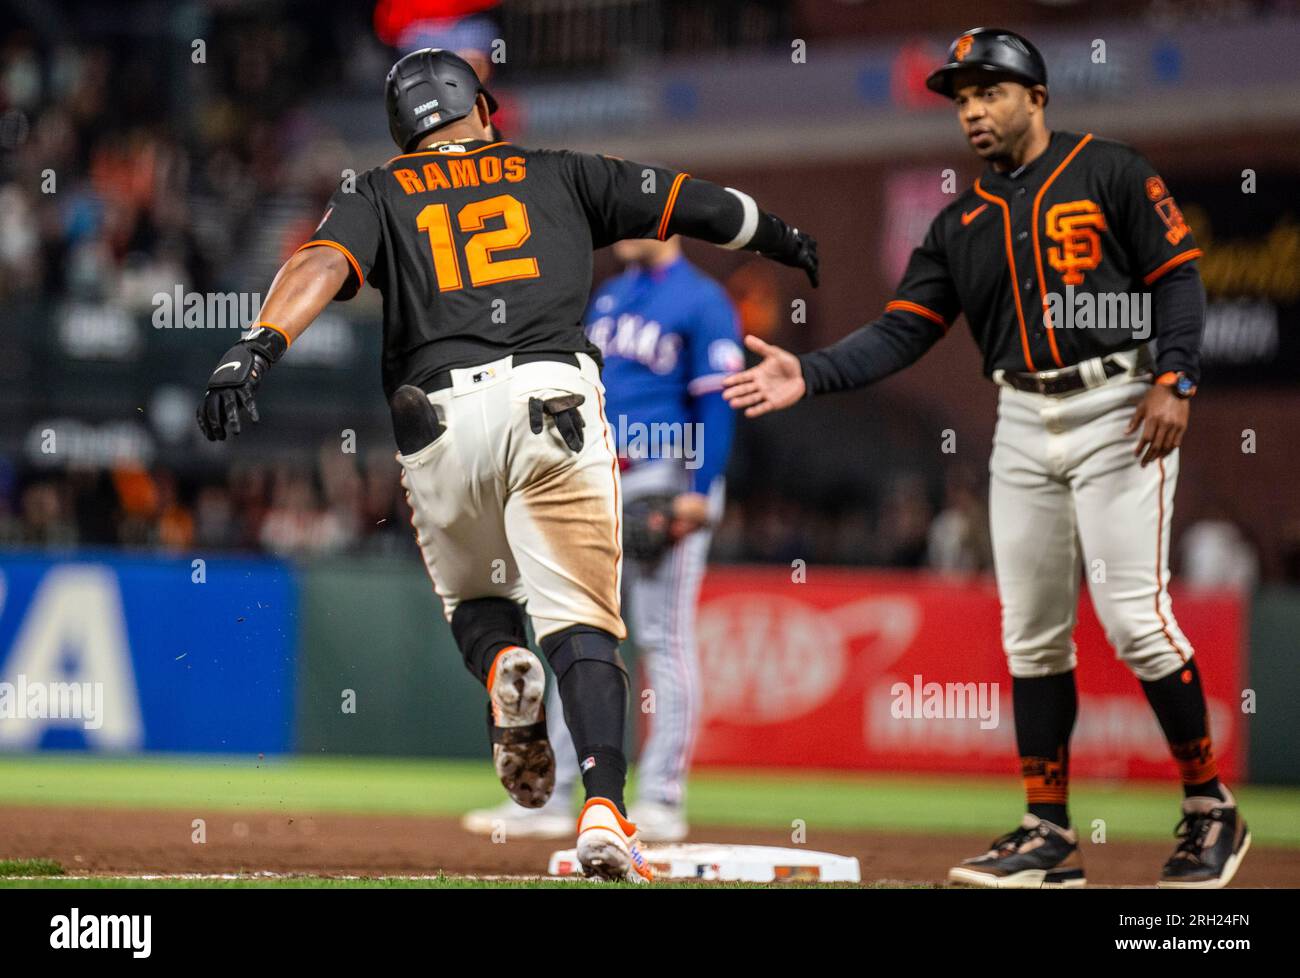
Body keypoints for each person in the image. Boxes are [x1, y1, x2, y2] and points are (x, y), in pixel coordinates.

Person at [196, 48, 817, 882]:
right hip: (552, 405)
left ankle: (499, 667)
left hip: (437, 420)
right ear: (482, 108)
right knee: (585, 626)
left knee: (480, 603)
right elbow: (689, 203)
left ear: (402, 132)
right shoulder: (556, 171)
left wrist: (256, 346)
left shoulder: (377, 189)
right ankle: (604, 809)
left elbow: (320, 263)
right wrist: (777, 234)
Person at [722, 28, 1249, 889]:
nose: (973, 110)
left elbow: (1177, 275)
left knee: (1133, 621)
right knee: (1032, 635)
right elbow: (903, 330)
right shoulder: (960, 223)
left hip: (1120, 404)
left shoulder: (1111, 168)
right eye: (962, 97)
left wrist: (1177, 376)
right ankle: (1048, 835)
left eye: (990, 92)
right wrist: (809, 373)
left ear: (1036, 97)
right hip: (1021, 414)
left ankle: (1209, 809)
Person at [462, 234, 740, 841]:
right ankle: (557, 796)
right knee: (577, 633)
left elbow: (718, 399)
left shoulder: (703, 298)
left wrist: (704, 489)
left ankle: (664, 796)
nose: (623, 228)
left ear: (665, 225)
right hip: (599, 480)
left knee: (663, 637)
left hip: (668, 481)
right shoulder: (610, 297)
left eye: (637, 217)